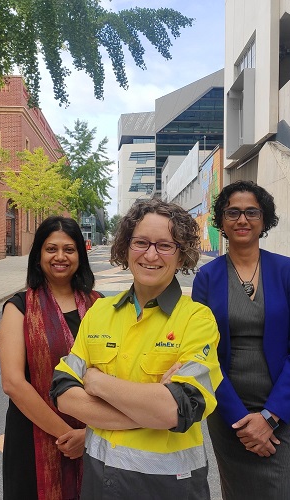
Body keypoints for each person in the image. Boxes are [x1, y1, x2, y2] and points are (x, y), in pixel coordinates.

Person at [50, 199, 223, 500]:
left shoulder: (197, 320)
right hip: (99, 480)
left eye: (166, 245)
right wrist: (150, 409)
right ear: (126, 249)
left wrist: (96, 382)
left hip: (171, 486)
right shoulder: (99, 312)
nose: (151, 254)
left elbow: (178, 409)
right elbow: (63, 392)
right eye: (141, 242)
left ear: (182, 256)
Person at [191, 181, 290, 500]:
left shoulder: (286, 271)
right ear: (221, 220)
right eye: (233, 212)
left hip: (283, 412)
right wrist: (240, 419)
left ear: (264, 220)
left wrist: (270, 417)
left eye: (251, 212)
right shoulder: (207, 278)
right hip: (231, 415)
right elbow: (204, 356)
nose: (242, 219)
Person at [0, 216, 102, 500]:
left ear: (80, 254)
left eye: (69, 249)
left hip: (95, 436)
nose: (60, 257)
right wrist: (68, 435)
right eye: (51, 249)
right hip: (33, 437)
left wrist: (89, 436)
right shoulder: (18, 307)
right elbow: (13, 383)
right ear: (38, 255)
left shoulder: (100, 306)